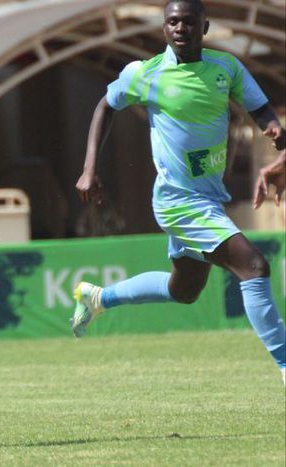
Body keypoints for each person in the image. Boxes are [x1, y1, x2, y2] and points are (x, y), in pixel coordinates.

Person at [70, 0, 286, 384]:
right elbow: (105, 106)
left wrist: (274, 131)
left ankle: (98, 298)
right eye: (172, 22)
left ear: (205, 27)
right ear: (164, 28)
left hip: (209, 196)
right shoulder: (147, 73)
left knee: (184, 289)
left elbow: (262, 110)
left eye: (188, 22)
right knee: (253, 267)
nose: (180, 28)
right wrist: (89, 169)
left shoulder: (226, 68)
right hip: (178, 201)